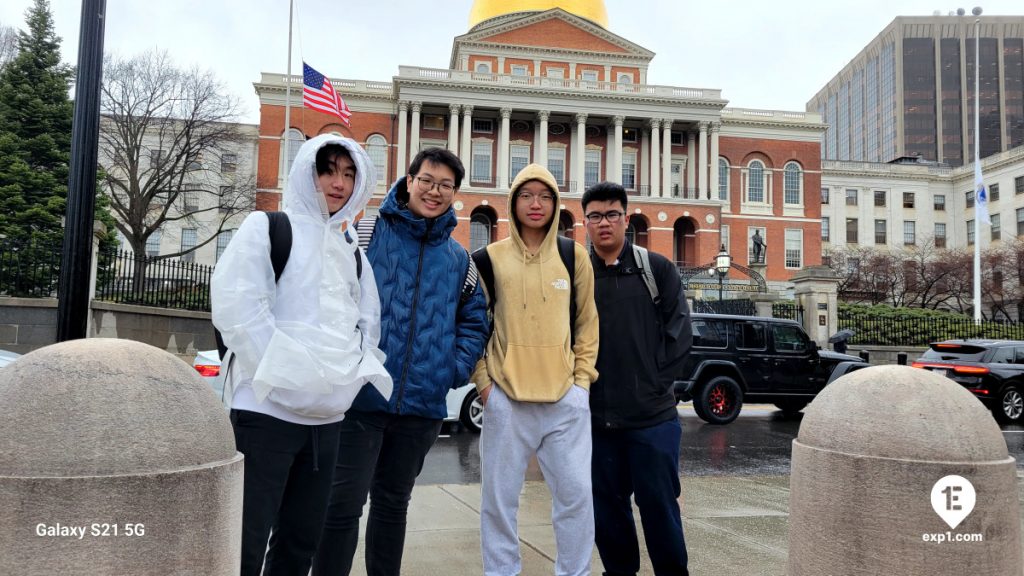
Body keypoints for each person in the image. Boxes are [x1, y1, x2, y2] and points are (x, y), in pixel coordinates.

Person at [211, 134, 392, 576]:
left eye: (349, 174)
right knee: (244, 544)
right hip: (264, 412)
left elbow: (367, 323)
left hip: (326, 423)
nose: (338, 183)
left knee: (299, 544)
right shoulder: (268, 227)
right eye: (327, 170)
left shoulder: (353, 252)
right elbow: (239, 308)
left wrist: (343, 382)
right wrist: (295, 376)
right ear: (306, 172)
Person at [313, 148, 489, 576]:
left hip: (420, 408)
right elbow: (333, 292)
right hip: (360, 401)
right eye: (427, 180)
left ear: (455, 194)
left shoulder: (459, 259)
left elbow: (475, 319)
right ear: (408, 181)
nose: (434, 191)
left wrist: (450, 370)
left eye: (446, 185)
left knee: (393, 506)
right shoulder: (368, 230)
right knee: (341, 506)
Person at [472, 163, 599, 576]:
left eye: (544, 196)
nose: (535, 204)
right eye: (526, 195)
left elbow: (587, 324)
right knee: (499, 502)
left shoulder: (572, 255)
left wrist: (581, 384)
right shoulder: (487, 259)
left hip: (564, 400)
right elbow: (473, 325)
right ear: (513, 202)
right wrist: (485, 386)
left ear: (556, 204)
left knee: (577, 497)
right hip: (506, 399)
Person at [582, 181, 692, 576]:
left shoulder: (655, 268)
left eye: (612, 214)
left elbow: (680, 335)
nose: (604, 223)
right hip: (597, 422)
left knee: (660, 508)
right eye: (595, 215)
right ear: (585, 222)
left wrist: (654, 385)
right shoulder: (579, 273)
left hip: (652, 420)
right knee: (607, 515)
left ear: (626, 219)